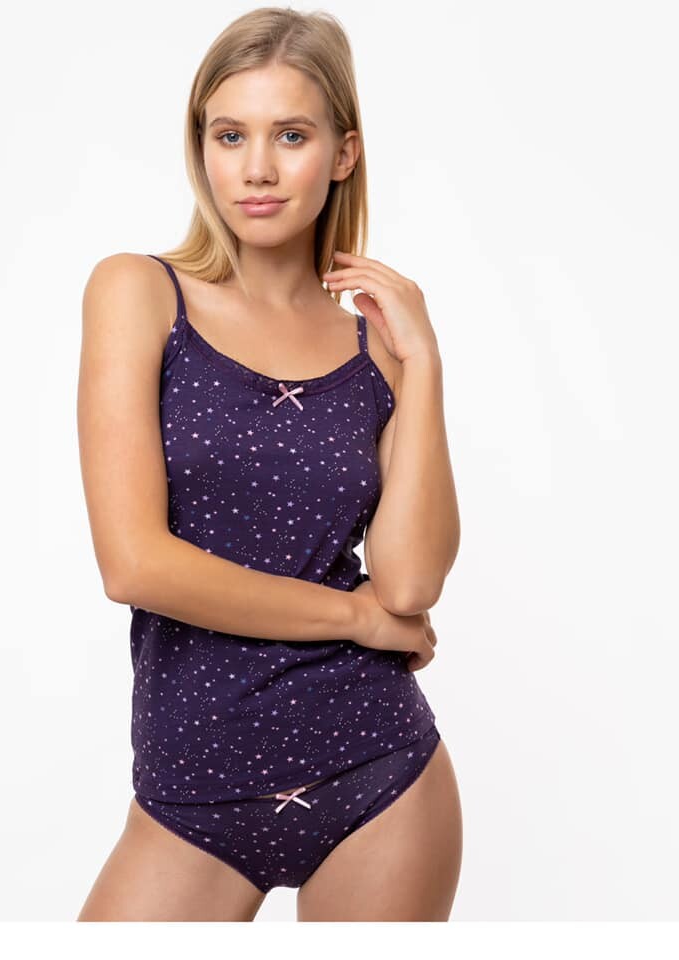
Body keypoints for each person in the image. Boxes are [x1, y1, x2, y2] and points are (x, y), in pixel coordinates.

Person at [75, 7, 462, 922]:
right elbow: (134, 565)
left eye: (291, 135)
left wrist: (425, 365)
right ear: (201, 148)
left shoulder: (379, 344)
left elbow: (411, 582)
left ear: (343, 153)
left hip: (378, 770)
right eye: (229, 135)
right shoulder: (139, 291)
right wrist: (357, 618)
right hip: (192, 787)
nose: (256, 168)